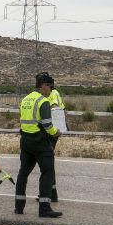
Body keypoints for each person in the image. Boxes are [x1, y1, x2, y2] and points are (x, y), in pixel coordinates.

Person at [15, 73, 63, 218]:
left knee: (23, 172)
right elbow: (48, 125)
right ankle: (44, 208)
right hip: (40, 141)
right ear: (43, 85)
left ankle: (19, 207)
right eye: (50, 86)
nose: (51, 90)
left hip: (25, 141)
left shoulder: (25, 99)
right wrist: (56, 132)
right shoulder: (43, 101)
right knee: (47, 172)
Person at [46, 73, 65, 202]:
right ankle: (51, 192)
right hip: (55, 131)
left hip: (51, 132)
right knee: (48, 162)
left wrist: (53, 131)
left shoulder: (52, 94)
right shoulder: (56, 93)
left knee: (47, 162)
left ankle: (51, 193)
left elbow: (53, 109)